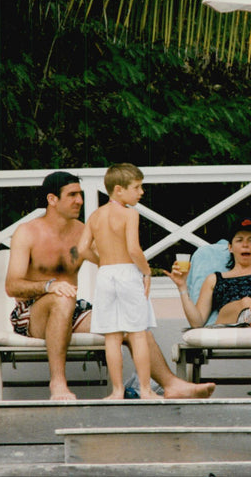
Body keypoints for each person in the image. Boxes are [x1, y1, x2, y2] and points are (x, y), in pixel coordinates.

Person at [5, 171, 216, 400]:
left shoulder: (80, 230)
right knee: (62, 298)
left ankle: (172, 384)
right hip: (32, 313)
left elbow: (115, 259)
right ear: (52, 199)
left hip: (73, 309)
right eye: (72, 195)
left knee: (130, 322)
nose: (80, 200)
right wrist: (49, 286)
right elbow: (12, 285)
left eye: (80, 194)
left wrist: (154, 272)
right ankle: (58, 383)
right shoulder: (27, 232)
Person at [77, 163, 159, 400]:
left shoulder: (95, 215)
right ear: (119, 190)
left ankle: (116, 391)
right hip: (127, 273)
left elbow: (82, 249)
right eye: (137, 187)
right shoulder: (129, 214)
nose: (141, 192)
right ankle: (145, 389)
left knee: (112, 336)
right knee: (137, 333)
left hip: (105, 275)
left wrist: (101, 262)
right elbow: (134, 249)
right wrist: (146, 271)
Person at [165, 217, 251, 329]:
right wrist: (182, 287)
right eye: (239, 240)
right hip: (230, 318)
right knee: (245, 302)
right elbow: (197, 322)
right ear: (230, 247)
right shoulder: (215, 279)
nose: (245, 245)